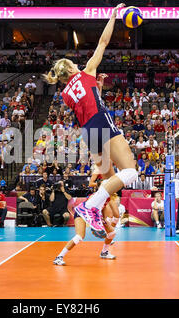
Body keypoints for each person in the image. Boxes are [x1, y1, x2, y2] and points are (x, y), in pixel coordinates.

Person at [44, 3, 138, 234]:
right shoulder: (86, 72)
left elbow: (88, 101)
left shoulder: (65, 93)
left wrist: (98, 87)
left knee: (111, 183)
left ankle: (104, 223)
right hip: (100, 122)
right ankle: (89, 206)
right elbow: (103, 42)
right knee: (131, 172)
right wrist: (114, 15)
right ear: (72, 68)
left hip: (88, 132)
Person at [53, 189, 120, 266]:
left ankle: (104, 252)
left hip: (94, 216)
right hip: (81, 213)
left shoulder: (108, 199)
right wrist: (94, 224)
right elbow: (87, 209)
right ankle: (59, 257)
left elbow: (104, 215)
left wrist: (104, 226)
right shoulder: (95, 196)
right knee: (79, 236)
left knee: (112, 232)